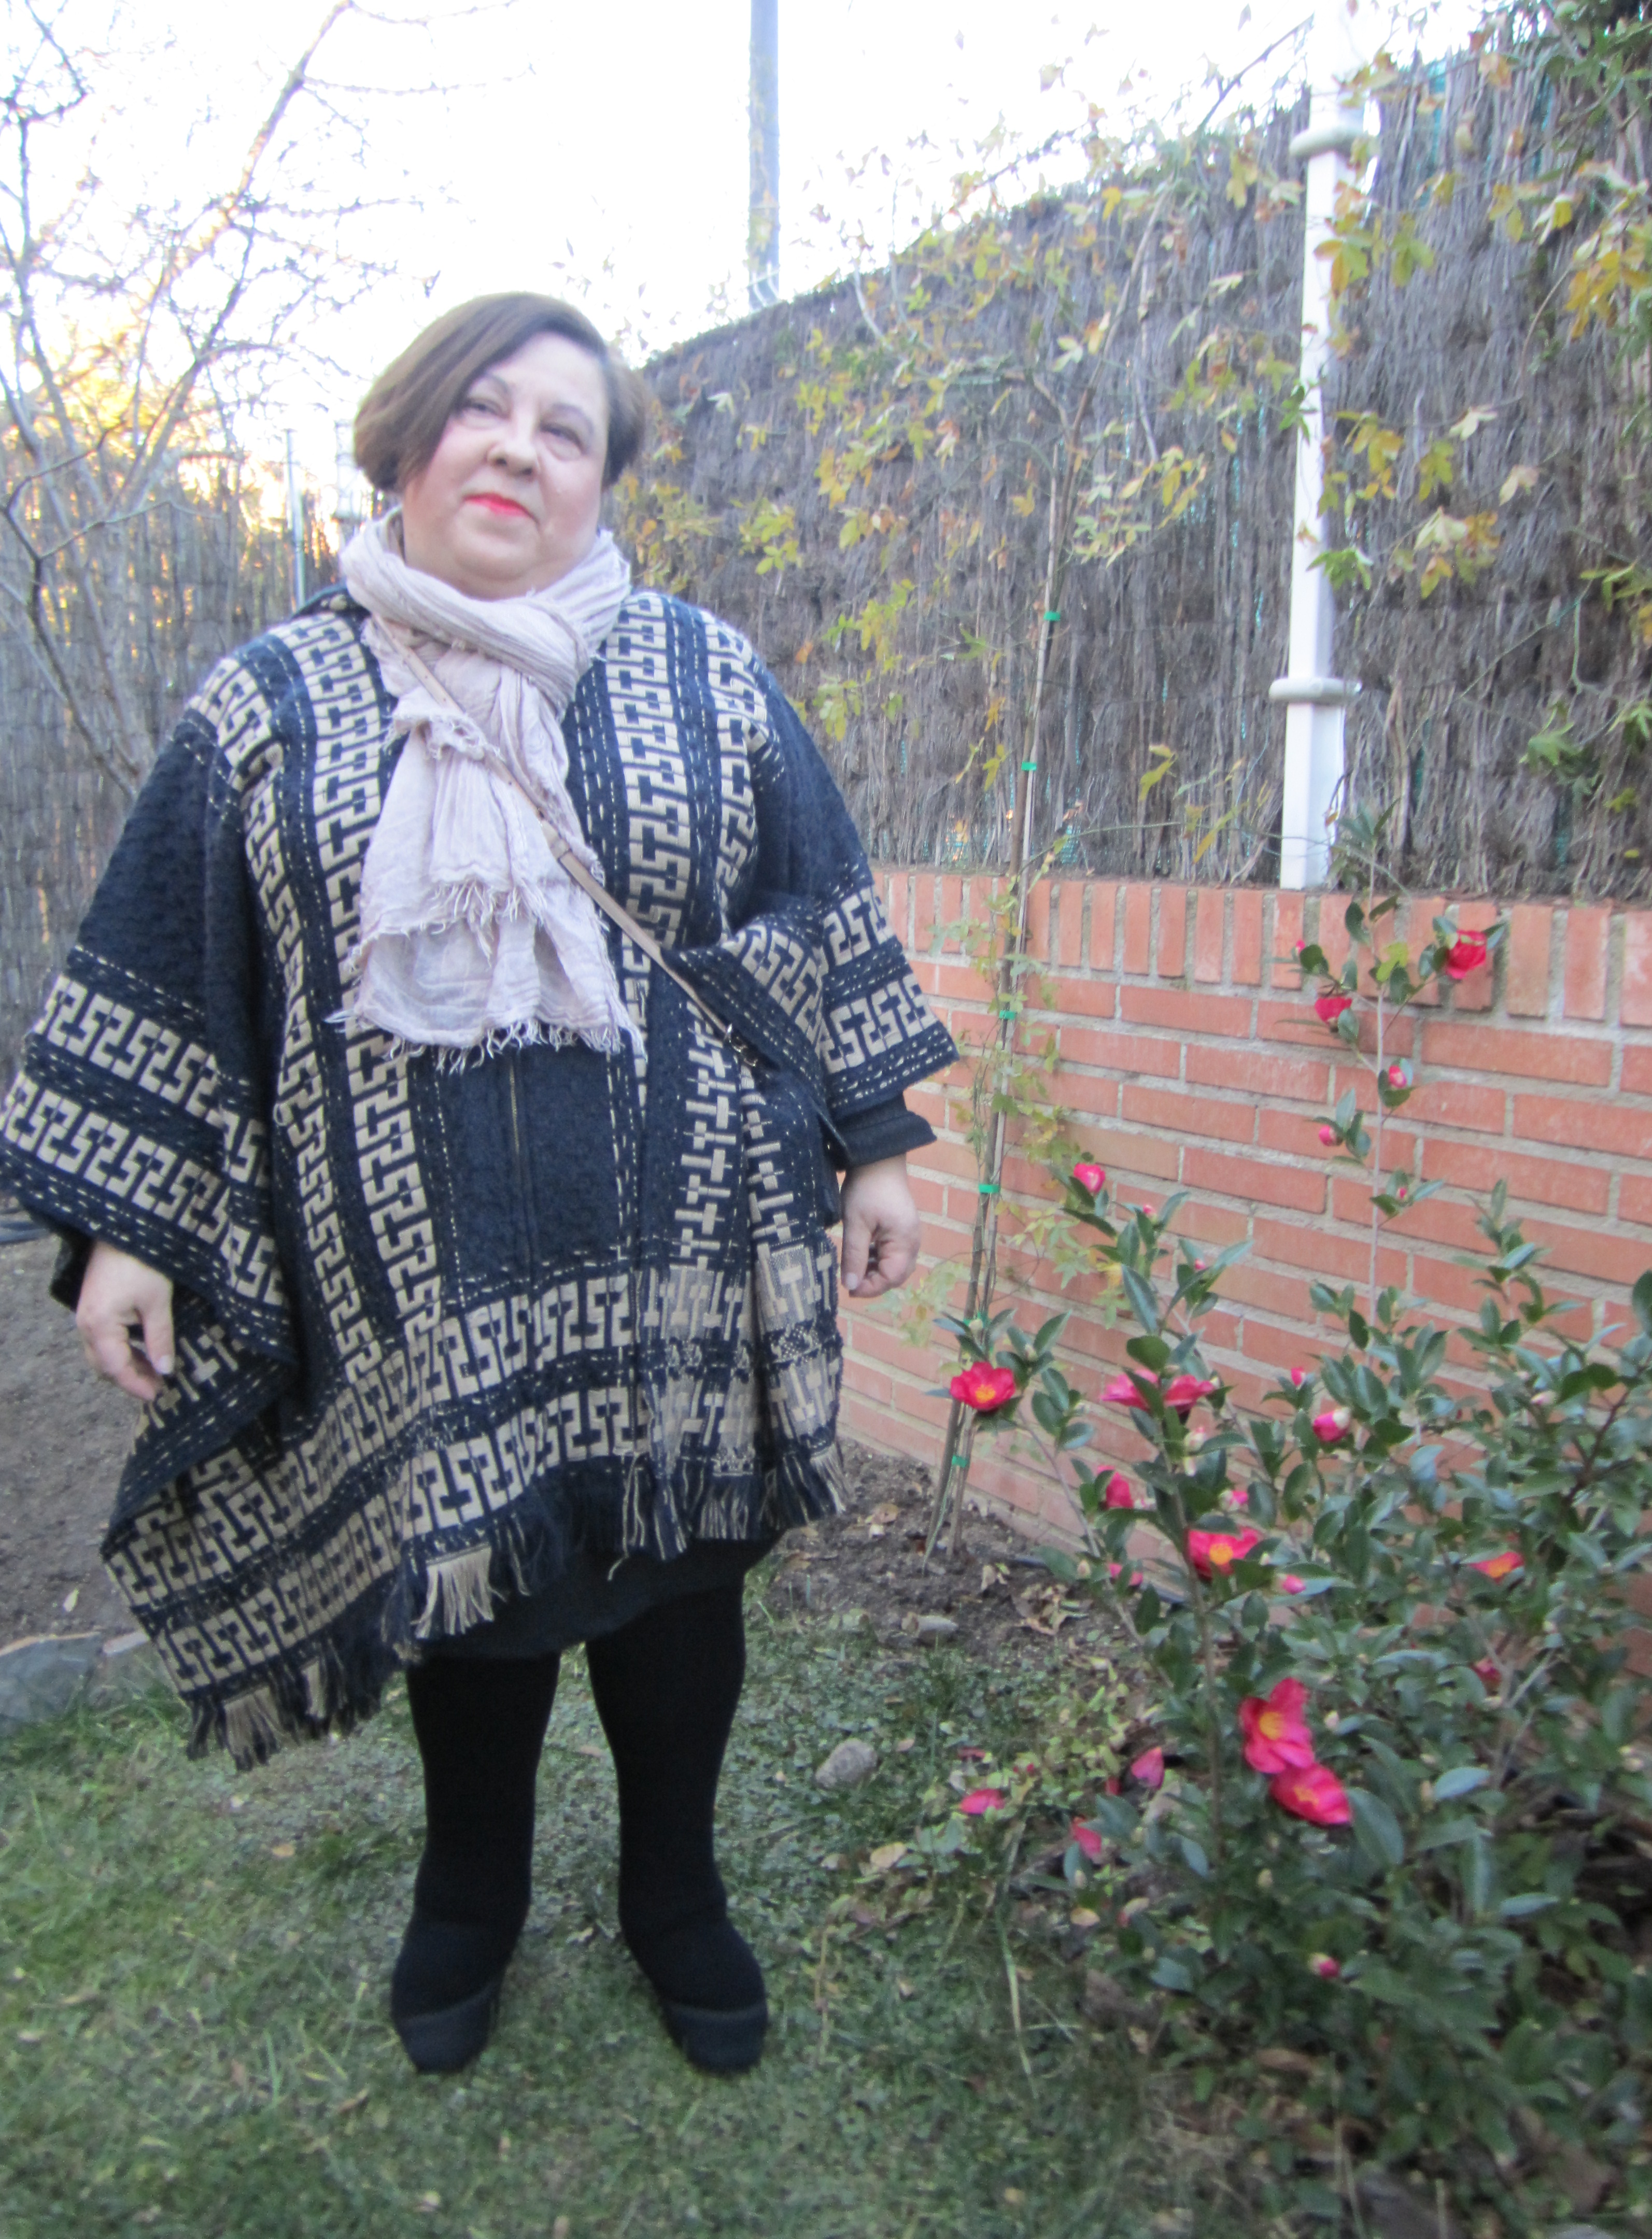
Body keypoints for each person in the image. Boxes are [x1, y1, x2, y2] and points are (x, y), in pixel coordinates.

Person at [0, 293, 954, 2080]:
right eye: (484, 410)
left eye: (565, 429)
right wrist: (126, 1229)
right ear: (408, 438)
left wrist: (878, 1141)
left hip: (690, 1250)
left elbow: (817, 895)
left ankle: (676, 1891)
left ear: (601, 481)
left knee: (685, 1579)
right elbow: (172, 959)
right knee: (479, 1579)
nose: (520, 448)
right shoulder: (269, 704)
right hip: (426, 1283)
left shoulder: (703, 672)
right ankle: (473, 1890)